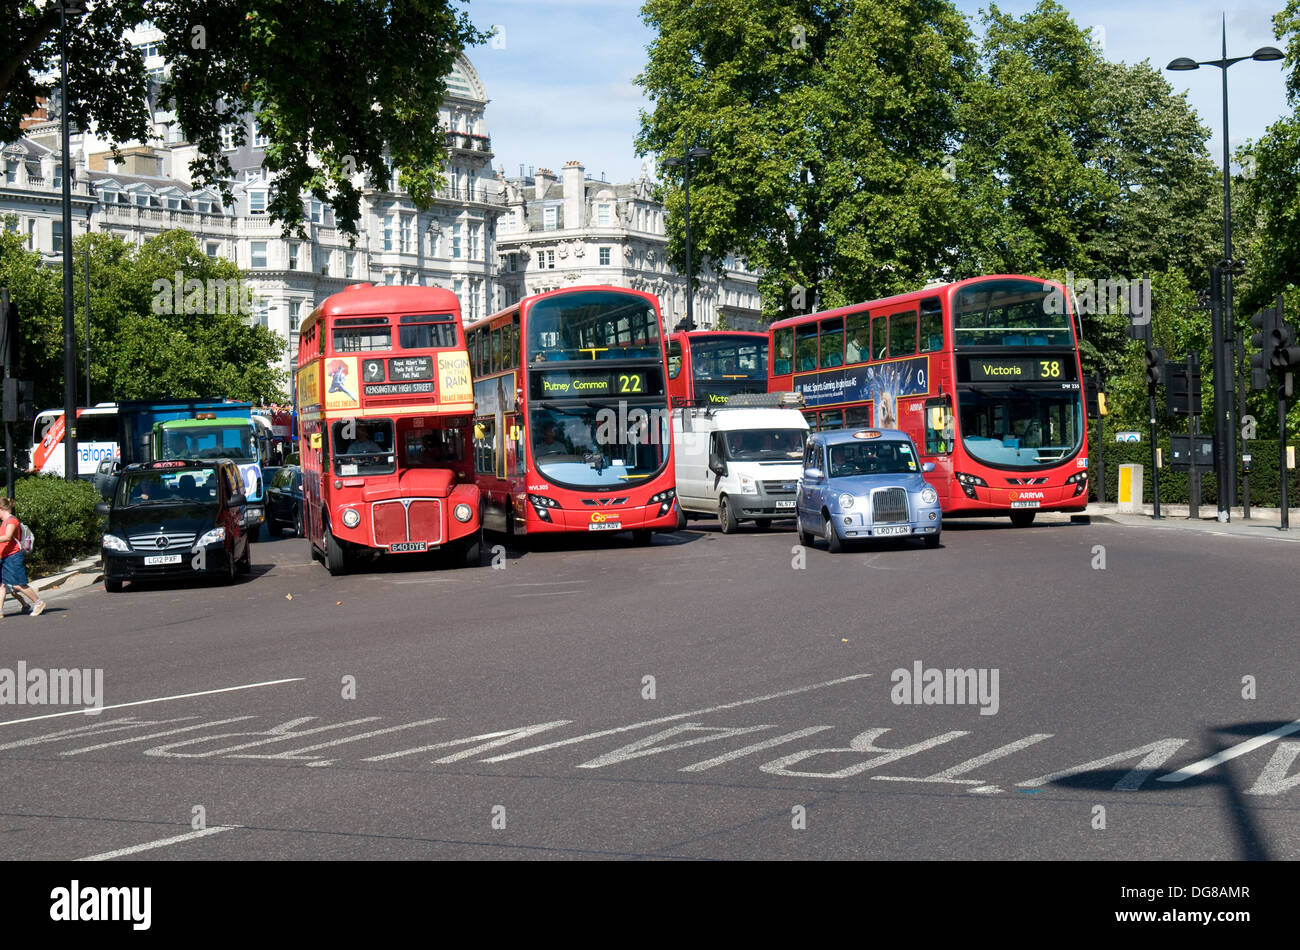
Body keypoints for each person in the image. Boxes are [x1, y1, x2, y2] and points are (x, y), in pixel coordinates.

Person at [0, 498, 46, 618]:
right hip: (6, 557)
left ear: (1, 509)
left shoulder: (12, 521)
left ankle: (38, 602)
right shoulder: (4, 522)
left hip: (13, 557)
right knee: (3, 584)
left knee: (18, 584)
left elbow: (8, 537)